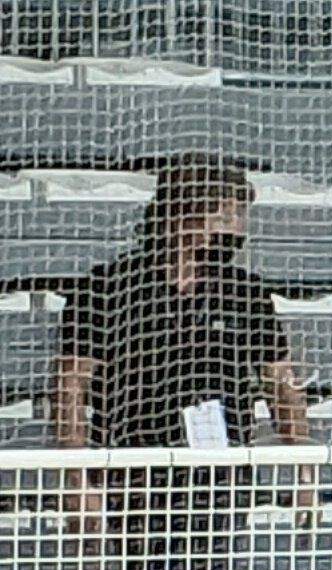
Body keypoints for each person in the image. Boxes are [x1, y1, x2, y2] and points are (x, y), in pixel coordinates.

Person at [53, 152, 308, 449]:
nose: (235, 229)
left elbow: (280, 383)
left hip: (221, 462)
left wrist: (303, 465)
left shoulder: (245, 292)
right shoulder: (107, 287)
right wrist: (76, 470)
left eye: (240, 215)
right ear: (180, 214)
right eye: (224, 216)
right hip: (133, 459)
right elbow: (72, 384)